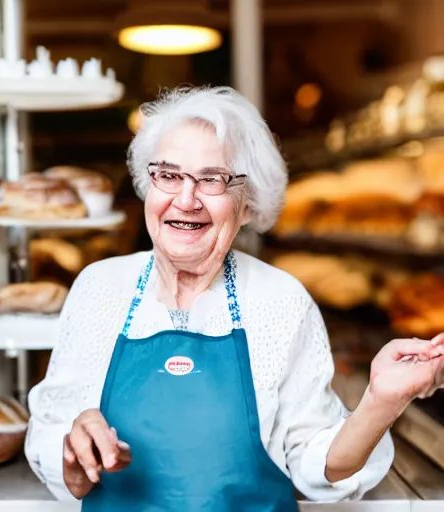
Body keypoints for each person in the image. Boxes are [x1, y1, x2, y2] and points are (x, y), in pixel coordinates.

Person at [25, 86, 444, 510]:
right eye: (168, 175)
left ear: (247, 205)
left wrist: (381, 401)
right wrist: (71, 455)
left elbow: (318, 465)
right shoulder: (99, 289)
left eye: (213, 179)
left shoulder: (281, 301)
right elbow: (49, 429)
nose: (185, 200)